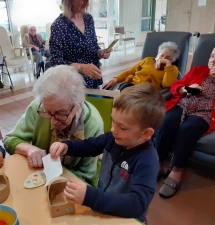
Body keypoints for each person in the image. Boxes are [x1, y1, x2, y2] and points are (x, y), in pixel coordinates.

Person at [50, 82, 165, 223]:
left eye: (122, 127)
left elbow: (137, 204)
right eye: (113, 121)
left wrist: (91, 196)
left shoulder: (148, 160)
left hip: (127, 218)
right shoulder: (114, 137)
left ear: (146, 133)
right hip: (103, 207)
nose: (113, 129)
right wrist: (67, 147)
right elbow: (90, 146)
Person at [3, 65, 104, 187]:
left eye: (61, 114)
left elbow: (87, 177)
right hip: (40, 178)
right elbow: (9, 140)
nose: (53, 122)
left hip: (71, 186)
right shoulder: (39, 107)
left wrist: (55, 180)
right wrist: (28, 149)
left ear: (78, 104)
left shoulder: (93, 124)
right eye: (48, 113)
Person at [155, 48, 215, 198]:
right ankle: (158, 163)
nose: (213, 60)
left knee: (187, 129)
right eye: (212, 56)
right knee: (167, 120)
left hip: (204, 114)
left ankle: (177, 170)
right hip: (182, 105)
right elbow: (176, 85)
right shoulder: (198, 70)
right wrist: (186, 89)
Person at [49, 0, 111, 89]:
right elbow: (56, 62)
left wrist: (100, 52)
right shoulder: (59, 25)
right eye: (82, 0)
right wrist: (81, 68)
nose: (87, 3)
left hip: (92, 80)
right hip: (72, 85)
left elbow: (93, 46)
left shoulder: (88, 19)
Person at [102, 41, 180, 91]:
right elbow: (130, 71)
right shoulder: (148, 60)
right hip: (130, 85)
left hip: (146, 92)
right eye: (161, 55)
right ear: (157, 54)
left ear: (172, 60)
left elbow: (168, 85)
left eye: (167, 58)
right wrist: (115, 79)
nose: (163, 58)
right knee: (110, 92)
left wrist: (168, 65)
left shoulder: (172, 69)